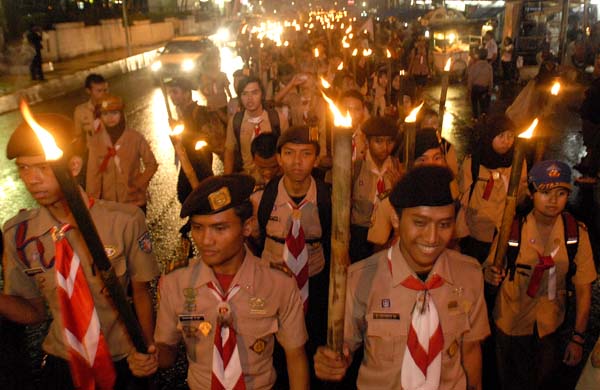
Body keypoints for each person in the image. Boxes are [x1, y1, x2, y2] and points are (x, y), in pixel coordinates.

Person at [1, 114, 159, 389]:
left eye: (42, 168)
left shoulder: (123, 221)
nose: (32, 180)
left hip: (120, 359)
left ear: (73, 165)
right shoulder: (19, 234)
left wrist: (145, 349)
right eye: (24, 169)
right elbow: (33, 312)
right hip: (64, 364)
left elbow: (142, 293)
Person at [126, 174, 310, 389]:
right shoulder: (175, 282)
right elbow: (167, 352)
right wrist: (152, 357)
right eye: (197, 228)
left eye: (219, 228)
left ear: (247, 227)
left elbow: (295, 356)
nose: (206, 240)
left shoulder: (278, 283)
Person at [314, 165, 490, 389]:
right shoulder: (360, 279)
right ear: (396, 220)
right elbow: (342, 347)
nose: (433, 237)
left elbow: (471, 350)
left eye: (444, 224)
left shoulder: (469, 275)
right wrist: (332, 361)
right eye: (420, 223)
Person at [484, 160, 597, 390]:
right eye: (545, 192)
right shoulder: (512, 229)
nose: (553, 200)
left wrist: (578, 338)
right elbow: (488, 269)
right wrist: (490, 274)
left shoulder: (574, 234)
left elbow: (584, 288)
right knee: (509, 382)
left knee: (542, 382)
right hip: (511, 321)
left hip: (550, 325)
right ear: (532, 193)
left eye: (561, 193)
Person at [256, 126, 331, 387]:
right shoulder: (262, 197)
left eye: (306, 154)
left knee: (311, 335)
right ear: (278, 158)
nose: (297, 162)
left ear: (316, 158)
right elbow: (255, 239)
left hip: (313, 280)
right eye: (289, 153)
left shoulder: (326, 197)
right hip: (273, 283)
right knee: (273, 339)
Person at [457, 114, 528, 263]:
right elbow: (462, 198)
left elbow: (520, 196)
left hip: (503, 231)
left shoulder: (517, 162)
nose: (506, 142)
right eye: (501, 136)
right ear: (490, 136)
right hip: (475, 233)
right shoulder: (473, 161)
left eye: (510, 136)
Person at [86, 95, 158, 213]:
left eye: (114, 113)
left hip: (134, 201)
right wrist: (92, 202)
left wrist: (139, 184)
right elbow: (92, 174)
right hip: (109, 205)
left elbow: (151, 164)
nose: (110, 118)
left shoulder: (135, 138)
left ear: (121, 114)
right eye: (105, 114)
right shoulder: (96, 142)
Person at [350, 116, 401, 262]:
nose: (385, 147)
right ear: (367, 141)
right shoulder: (357, 167)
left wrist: (399, 187)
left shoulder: (397, 168)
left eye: (390, 141)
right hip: (360, 235)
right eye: (378, 141)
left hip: (387, 234)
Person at [166, 77, 221, 204]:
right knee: (189, 195)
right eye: (170, 93)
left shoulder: (198, 112)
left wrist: (182, 131)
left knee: (198, 194)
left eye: (175, 92)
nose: (171, 96)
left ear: (186, 94)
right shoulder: (183, 113)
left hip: (200, 160)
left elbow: (207, 136)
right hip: (188, 158)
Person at [224, 76, 289, 177]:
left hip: (274, 177)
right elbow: (229, 152)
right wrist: (226, 180)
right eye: (245, 94)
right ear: (240, 97)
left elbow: (287, 150)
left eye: (254, 93)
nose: (250, 99)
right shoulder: (236, 121)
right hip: (248, 178)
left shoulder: (277, 119)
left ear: (262, 94)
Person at [73, 73, 109, 187]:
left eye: (104, 90)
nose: (103, 94)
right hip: (92, 156)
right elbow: (78, 136)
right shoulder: (80, 111)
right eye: (98, 91)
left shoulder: (113, 106)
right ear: (88, 91)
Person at [341, 89, 369, 161]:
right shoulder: (332, 135)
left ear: (363, 111)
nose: (351, 114)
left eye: (357, 109)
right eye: (347, 109)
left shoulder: (367, 136)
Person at [468, 49, 494, 119]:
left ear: (478, 56)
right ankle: (483, 114)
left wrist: (469, 88)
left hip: (475, 88)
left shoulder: (474, 66)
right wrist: (490, 89)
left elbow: (470, 78)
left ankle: (475, 117)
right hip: (484, 88)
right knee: (483, 102)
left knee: (474, 102)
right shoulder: (489, 67)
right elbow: (490, 79)